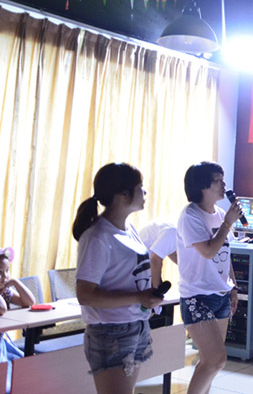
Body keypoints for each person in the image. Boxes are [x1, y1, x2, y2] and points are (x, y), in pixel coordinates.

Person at [72, 163, 164, 394]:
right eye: (140, 187)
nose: (145, 192)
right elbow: (85, 295)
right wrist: (138, 297)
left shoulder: (128, 229)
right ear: (123, 194)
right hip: (111, 332)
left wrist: (146, 299)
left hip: (135, 325)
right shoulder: (97, 237)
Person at [177, 161, 242, 394]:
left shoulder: (221, 214)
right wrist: (227, 223)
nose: (224, 185)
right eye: (218, 180)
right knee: (217, 359)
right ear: (203, 186)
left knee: (209, 361)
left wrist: (233, 287)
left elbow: (225, 255)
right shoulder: (190, 215)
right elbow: (208, 251)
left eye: (223, 179)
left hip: (221, 294)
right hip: (197, 296)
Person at [0, 246, 36, 393]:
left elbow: (30, 302)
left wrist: (15, 282)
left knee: (22, 369)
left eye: (7, 271)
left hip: (2, 343)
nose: (5, 277)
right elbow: (2, 308)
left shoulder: (5, 291)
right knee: (7, 381)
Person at [139, 220, 177, 288]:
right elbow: (155, 260)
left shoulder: (174, 233)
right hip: (140, 265)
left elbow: (170, 251)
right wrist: (156, 289)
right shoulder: (173, 232)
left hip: (143, 263)